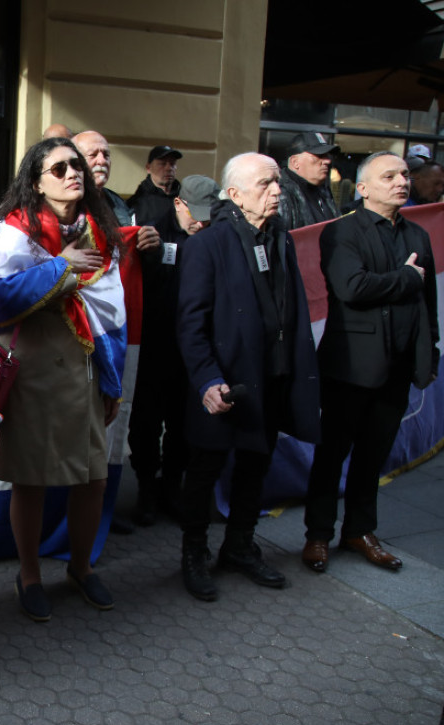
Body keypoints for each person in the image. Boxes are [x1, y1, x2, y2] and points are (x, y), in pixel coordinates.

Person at [0, 137, 128, 621]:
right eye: (60, 167)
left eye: (78, 166)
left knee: (93, 477)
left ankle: (82, 568)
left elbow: (112, 314)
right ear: (37, 180)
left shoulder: (100, 231)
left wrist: (113, 380)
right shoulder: (16, 231)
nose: (74, 173)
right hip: (38, 369)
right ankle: (29, 575)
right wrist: (62, 269)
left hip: (89, 367)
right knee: (33, 480)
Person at [177, 152, 320, 602]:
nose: (276, 190)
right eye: (265, 184)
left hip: (271, 377)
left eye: (277, 181)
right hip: (223, 383)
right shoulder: (207, 244)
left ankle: (239, 546)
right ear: (234, 194)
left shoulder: (280, 237)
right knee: (204, 471)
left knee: (256, 468)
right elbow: (190, 323)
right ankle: (194, 554)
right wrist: (206, 381)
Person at [303, 151, 439, 573]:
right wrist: (406, 278)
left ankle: (359, 531)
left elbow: (427, 302)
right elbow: (353, 287)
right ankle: (318, 536)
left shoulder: (417, 235)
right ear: (362, 189)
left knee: (373, 455)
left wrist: (429, 350)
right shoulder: (341, 233)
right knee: (332, 454)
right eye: (389, 176)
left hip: (399, 367)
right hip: (351, 367)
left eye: (403, 175)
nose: (401, 181)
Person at [72, 129, 161, 535]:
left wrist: (148, 242)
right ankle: (64, 523)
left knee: (110, 421)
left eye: (106, 153)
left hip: (114, 331)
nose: (103, 159)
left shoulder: (118, 207)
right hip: (74, 336)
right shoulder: (57, 206)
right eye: (93, 153)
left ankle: (100, 514)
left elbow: (128, 259)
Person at [128, 175, 220, 527]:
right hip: (155, 348)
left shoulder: (213, 236)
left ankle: (171, 488)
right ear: (178, 204)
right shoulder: (152, 234)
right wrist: (145, 256)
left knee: (183, 426)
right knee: (146, 426)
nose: (201, 222)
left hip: (193, 352)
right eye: (194, 213)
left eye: (207, 215)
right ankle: (146, 491)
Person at [277, 131, 341, 230]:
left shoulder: (323, 190)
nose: (327, 161)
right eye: (319, 155)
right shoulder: (279, 193)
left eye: (327, 156)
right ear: (295, 162)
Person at [128, 145, 182, 225]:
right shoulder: (138, 202)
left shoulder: (184, 198)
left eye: (172, 164)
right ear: (148, 168)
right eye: (162, 164)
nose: (169, 168)